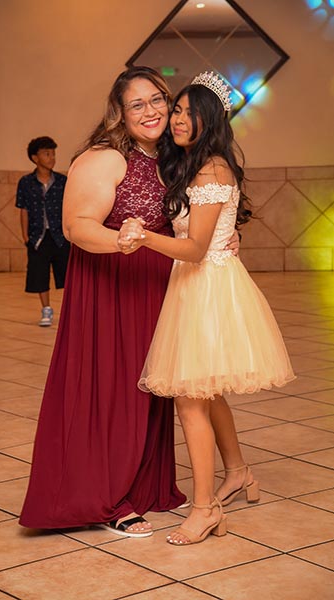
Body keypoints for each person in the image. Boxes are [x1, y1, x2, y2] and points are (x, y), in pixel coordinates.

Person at [19, 67, 239, 537]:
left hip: (162, 286)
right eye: (137, 104)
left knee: (153, 390)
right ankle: (106, 496)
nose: (152, 111)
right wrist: (125, 241)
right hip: (112, 288)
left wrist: (226, 235)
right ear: (119, 112)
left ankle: (143, 484)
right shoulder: (104, 157)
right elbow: (77, 226)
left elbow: (199, 213)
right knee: (112, 388)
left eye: (158, 99)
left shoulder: (175, 156)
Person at [118, 72, 295, 546]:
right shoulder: (194, 165)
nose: (177, 118)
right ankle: (237, 473)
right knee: (209, 392)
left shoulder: (212, 168)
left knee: (190, 400)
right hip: (196, 283)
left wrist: (142, 234)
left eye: (189, 112)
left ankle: (204, 509)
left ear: (210, 119)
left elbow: (194, 248)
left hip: (206, 285)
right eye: (176, 109)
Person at [16, 136, 69, 327]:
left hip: (60, 235)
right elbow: (23, 210)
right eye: (47, 153)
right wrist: (25, 236)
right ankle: (46, 309)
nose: (52, 157)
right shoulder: (26, 183)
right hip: (38, 237)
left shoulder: (63, 181)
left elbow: (69, 207)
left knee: (66, 273)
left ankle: (68, 310)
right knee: (40, 274)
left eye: (53, 153)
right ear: (35, 157)